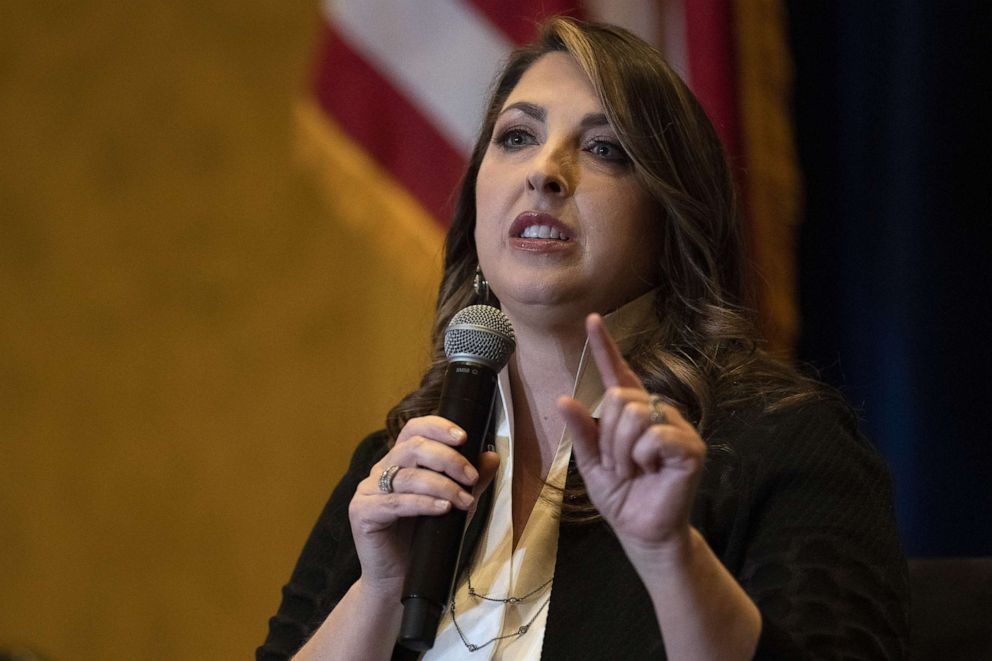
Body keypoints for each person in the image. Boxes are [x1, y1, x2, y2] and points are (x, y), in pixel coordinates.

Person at [258, 18, 909, 660]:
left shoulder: (782, 445)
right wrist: (380, 589)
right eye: (516, 137)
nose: (544, 171)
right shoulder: (402, 464)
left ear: (670, 222)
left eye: (605, 149)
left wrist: (670, 558)